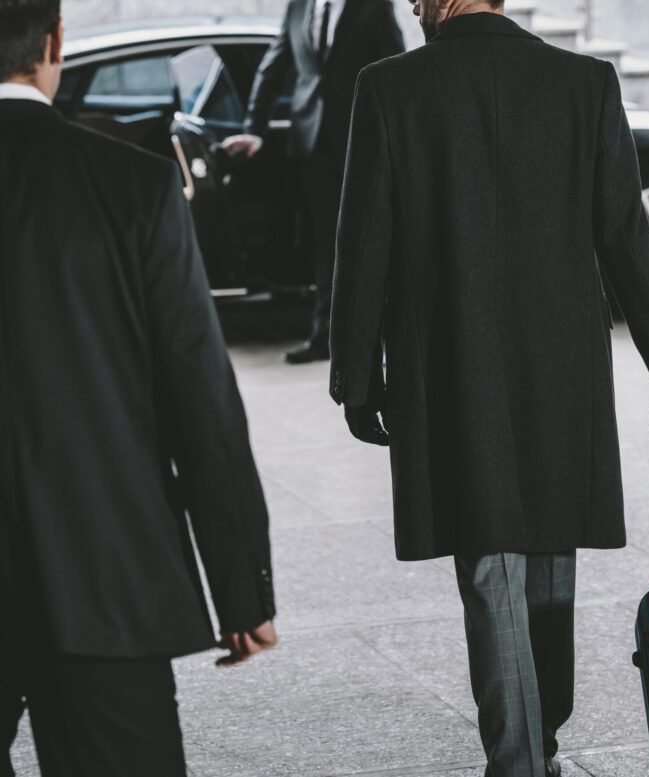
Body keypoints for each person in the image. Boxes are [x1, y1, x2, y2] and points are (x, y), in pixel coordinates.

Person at [328, 0, 649, 775]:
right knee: (548, 547)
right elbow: (625, 235)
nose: (409, 6)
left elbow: (365, 238)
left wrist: (357, 377)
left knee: (489, 562)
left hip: (452, 358)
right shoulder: (583, 82)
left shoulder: (390, 87)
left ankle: (517, 757)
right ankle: (538, 736)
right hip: (560, 362)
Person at [0, 2, 277, 775]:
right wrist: (240, 590)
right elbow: (201, 401)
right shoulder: (134, 184)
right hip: (103, 577)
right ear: (55, 42)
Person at [223, 0, 405, 364]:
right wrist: (254, 130)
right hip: (313, 145)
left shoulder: (374, 6)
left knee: (372, 243)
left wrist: (397, 139)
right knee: (326, 245)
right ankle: (326, 338)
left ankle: (386, 340)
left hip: (363, 142)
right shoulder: (298, 6)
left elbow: (396, 71)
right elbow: (273, 67)